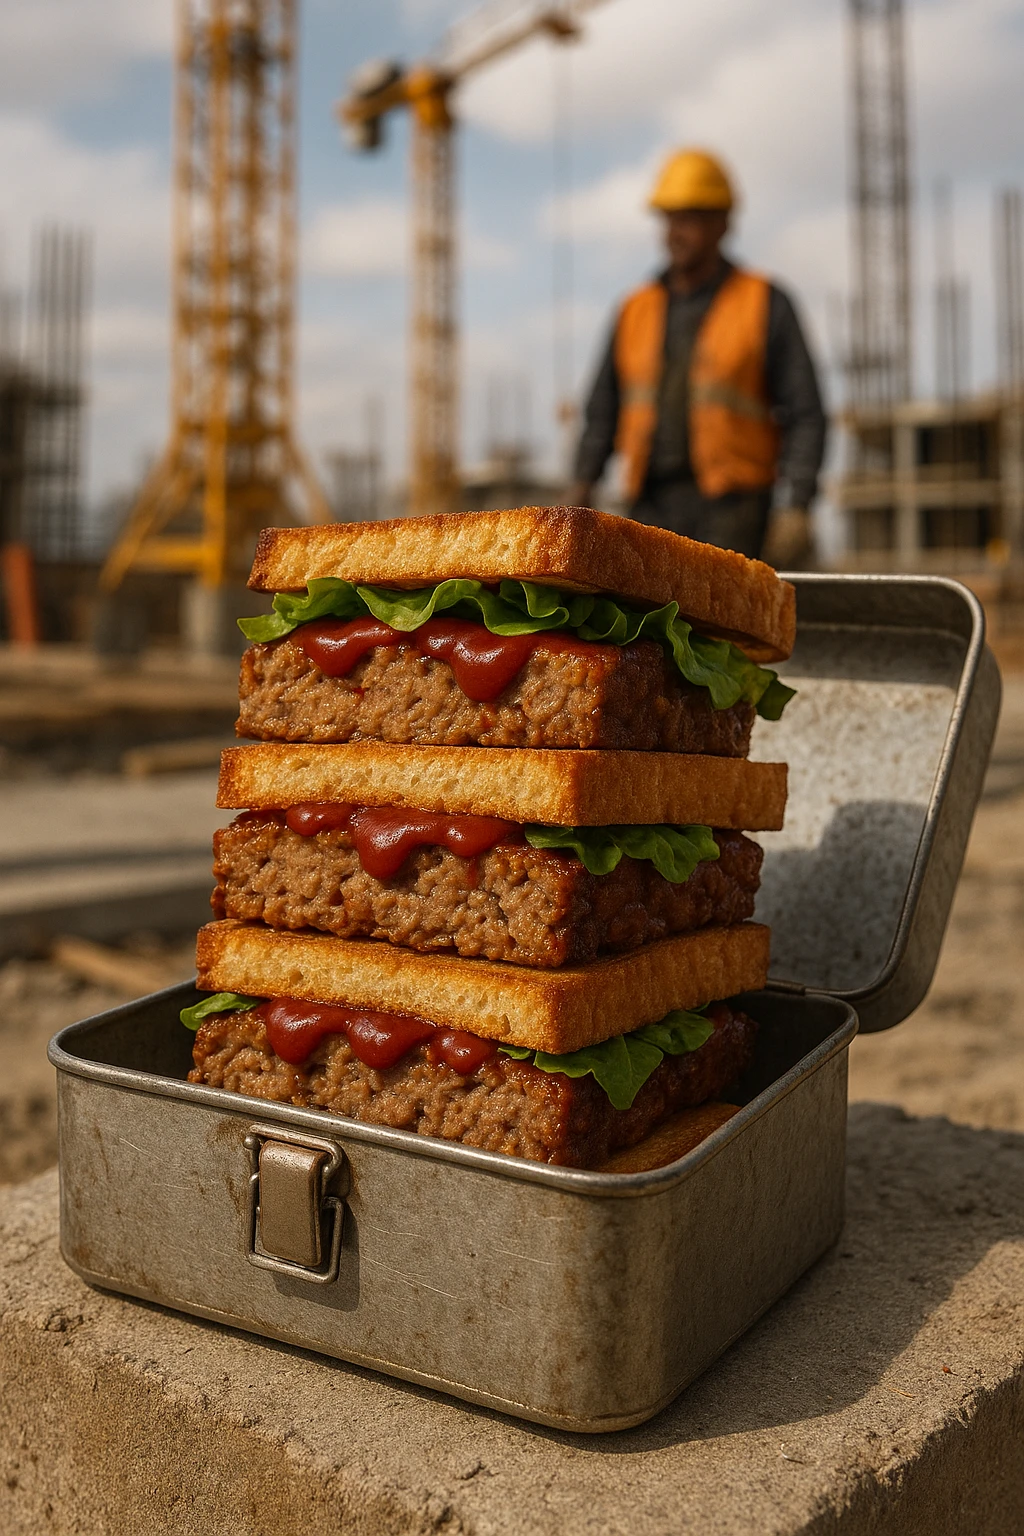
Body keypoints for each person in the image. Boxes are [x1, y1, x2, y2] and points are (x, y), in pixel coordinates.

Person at [568, 149, 826, 564]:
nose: (675, 232)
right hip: (650, 505)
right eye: (669, 218)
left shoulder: (764, 302)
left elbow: (806, 413)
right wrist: (580, 488)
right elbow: (602, 412)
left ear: (722, 224)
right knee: (647, 625)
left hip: (734, 507)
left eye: (689, 218)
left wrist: (797, 504)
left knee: (721, 626)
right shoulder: (635, 309)